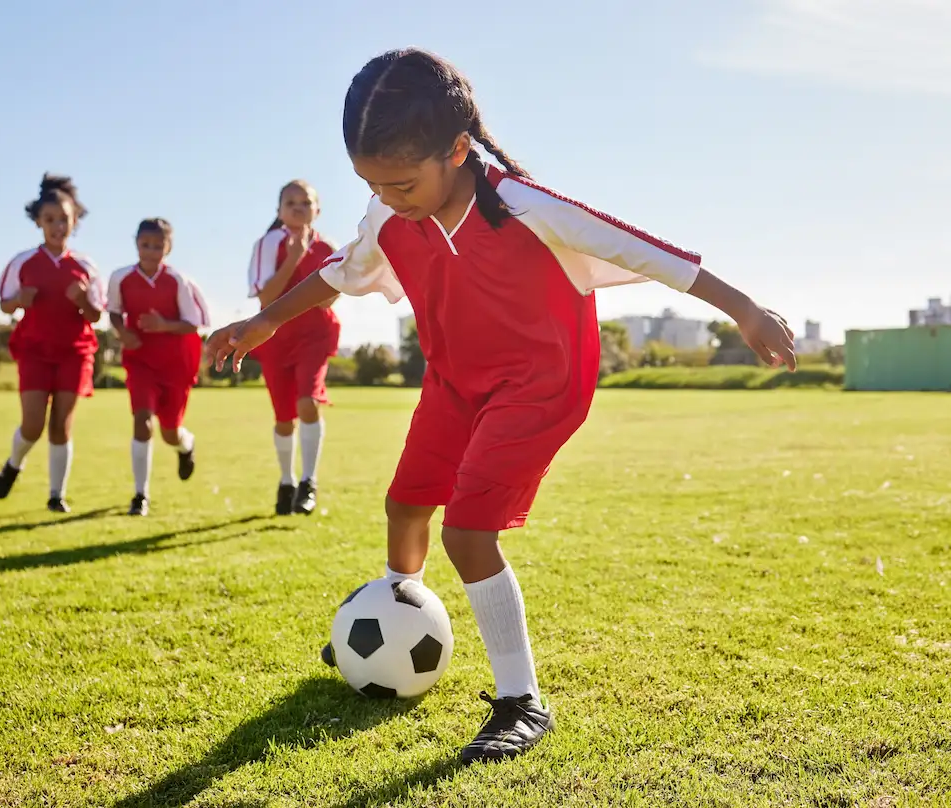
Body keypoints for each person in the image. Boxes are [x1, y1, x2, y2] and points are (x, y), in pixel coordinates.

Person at [206, 48, 796, 765]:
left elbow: (648, 253)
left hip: (540, 384)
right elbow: (338, 272)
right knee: (405, 506)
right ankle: (396, 618)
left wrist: (744, 309)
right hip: (455, 382)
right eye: (371, 184)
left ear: (457, 150)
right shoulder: (388, 216)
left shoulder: (526, 207)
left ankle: (522, 700)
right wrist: (267, 321)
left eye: (400, 182)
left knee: (469, 532)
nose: (388, 198)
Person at [0, 173, 105, 513]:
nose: (58, 226)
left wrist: (84, 300)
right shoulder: (22, 262)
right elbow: (4, 302)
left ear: (75, 221)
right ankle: (14, 463)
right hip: (34, 350)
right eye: (50, 220)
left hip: (74, 352)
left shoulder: (85, 266)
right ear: (38, 222)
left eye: (64, 220)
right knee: (32, 425)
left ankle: (56, 495)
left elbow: (96, 315)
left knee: (61, 424)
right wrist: (19, 301)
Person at [246, 180, 341, 516]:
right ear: (279, 210)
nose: (298, 207)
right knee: (284, 419)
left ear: (317, 210)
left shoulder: (328, 247)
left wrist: (331, 281)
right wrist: (295, 256)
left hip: (314, 337)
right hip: (274, 339)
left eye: (306, 202)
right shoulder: (267, 244)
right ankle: (286, 481)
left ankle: (308, 481)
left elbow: (329, 297)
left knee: (308, 402)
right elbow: (266, 298)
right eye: (290, 202)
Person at [106, 218, 209, 516]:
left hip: (175, 362)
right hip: (140, 361)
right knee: (142, 421)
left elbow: (193, 323)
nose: (151, 252)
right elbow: (113, 311)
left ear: (169, 247)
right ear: (136, 244)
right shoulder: (120, 278)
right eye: (145, 245)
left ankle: (185, 446)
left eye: (158, 246)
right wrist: (122, 333)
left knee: (170, 432)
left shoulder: (177, 280)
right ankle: (140, 495)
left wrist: (164, 325)